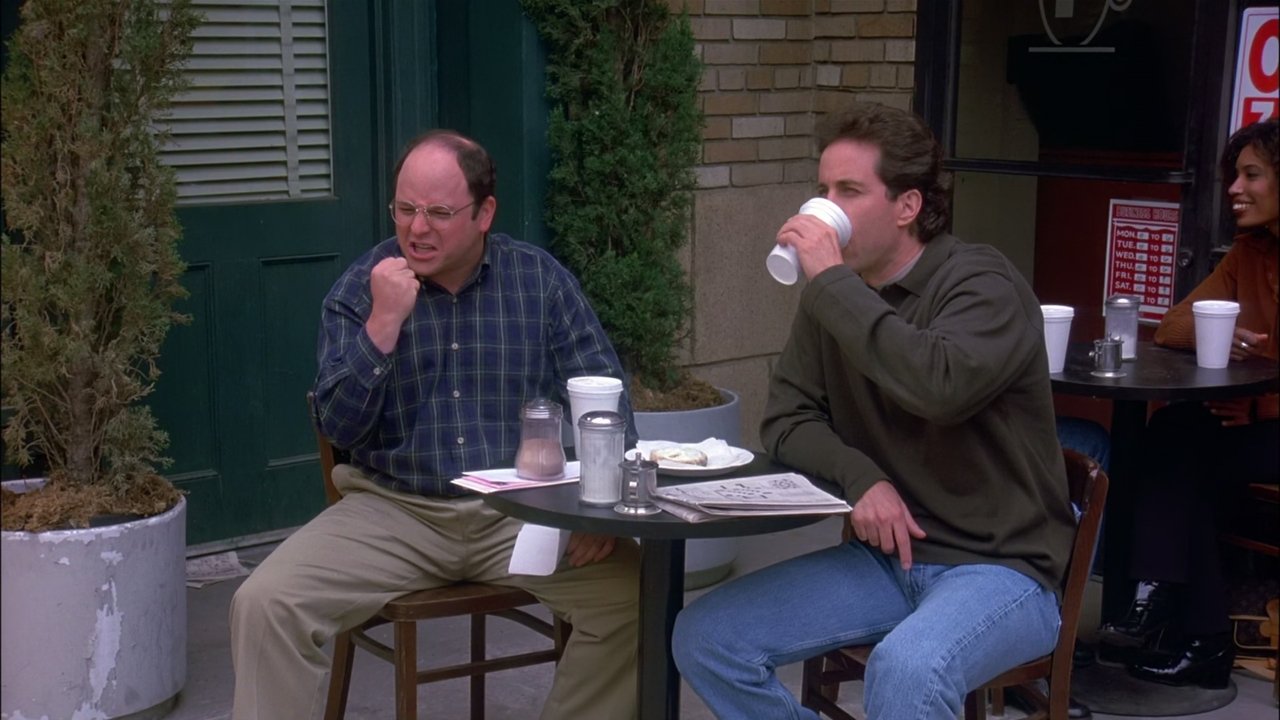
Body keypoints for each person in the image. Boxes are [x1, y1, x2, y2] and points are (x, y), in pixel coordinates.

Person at [671, 102, 1076, 719]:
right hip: (885, 562)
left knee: (909, 669)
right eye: (822, 190)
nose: (824, 208)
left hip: (1003, 570)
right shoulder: (834, 296)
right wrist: (863, 479)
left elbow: (938, 387)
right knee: (707, 637)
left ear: (907, 205)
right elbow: (786, 421)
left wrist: (831, 282)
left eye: (849, 191)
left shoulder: (980, 283)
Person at [229, 130, 641, 720]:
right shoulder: (361, 288)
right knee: (264, 605)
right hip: (394, 512)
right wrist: (382, 326)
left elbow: (605, 397)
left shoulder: (540, 280)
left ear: (484, 213)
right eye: (405, 209)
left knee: (637, 596)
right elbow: (338, 427)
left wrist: (598, 502)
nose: (417, 229)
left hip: (520, 511)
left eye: (439, 213)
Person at [1096, 117, 1278, 688]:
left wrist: (1262, 409)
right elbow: (1173, 325)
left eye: (1251, 175)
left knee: (1176, 453)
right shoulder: (1248, 253)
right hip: (1252, 424)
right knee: (1174, 435)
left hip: (1270, 421)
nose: (1235, 189)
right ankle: (1169, 612)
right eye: (1234, 176)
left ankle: (1177, 619)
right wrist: (1218, 334)